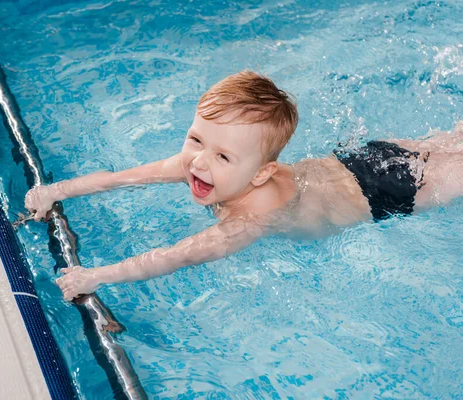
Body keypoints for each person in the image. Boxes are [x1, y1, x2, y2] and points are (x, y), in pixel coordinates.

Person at [24, 70, 463, 301]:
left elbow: (180, 255)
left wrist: (96, 276)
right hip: (358, 159)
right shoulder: (203, 162)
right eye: (196, 139)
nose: (198, 162)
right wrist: (55, 190)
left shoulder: (253, 217)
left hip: (385, 194)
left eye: (222, 156)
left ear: (260, 174)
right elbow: (122, 179)